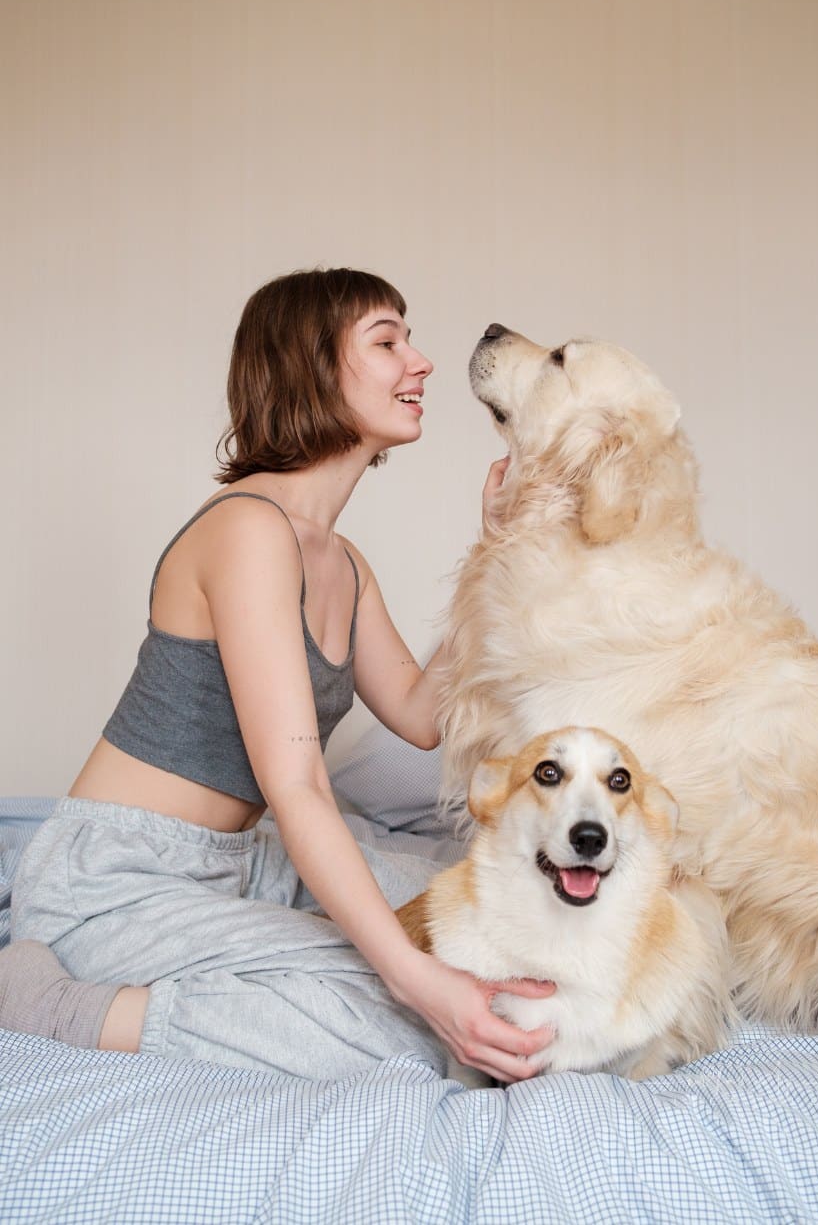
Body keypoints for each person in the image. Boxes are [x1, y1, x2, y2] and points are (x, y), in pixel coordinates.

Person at [0, 268, 553, 1083]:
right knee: (396, 1011)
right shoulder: (249, 533)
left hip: (239, 859)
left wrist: (494, 545)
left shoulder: (345, 563)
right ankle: (49, 1005)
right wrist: (417, 981)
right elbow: (297, 786)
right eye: (389, 341)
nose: (423, 361)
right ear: (315, 368)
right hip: (118, 878)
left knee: (469, 906)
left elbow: (421, 712)